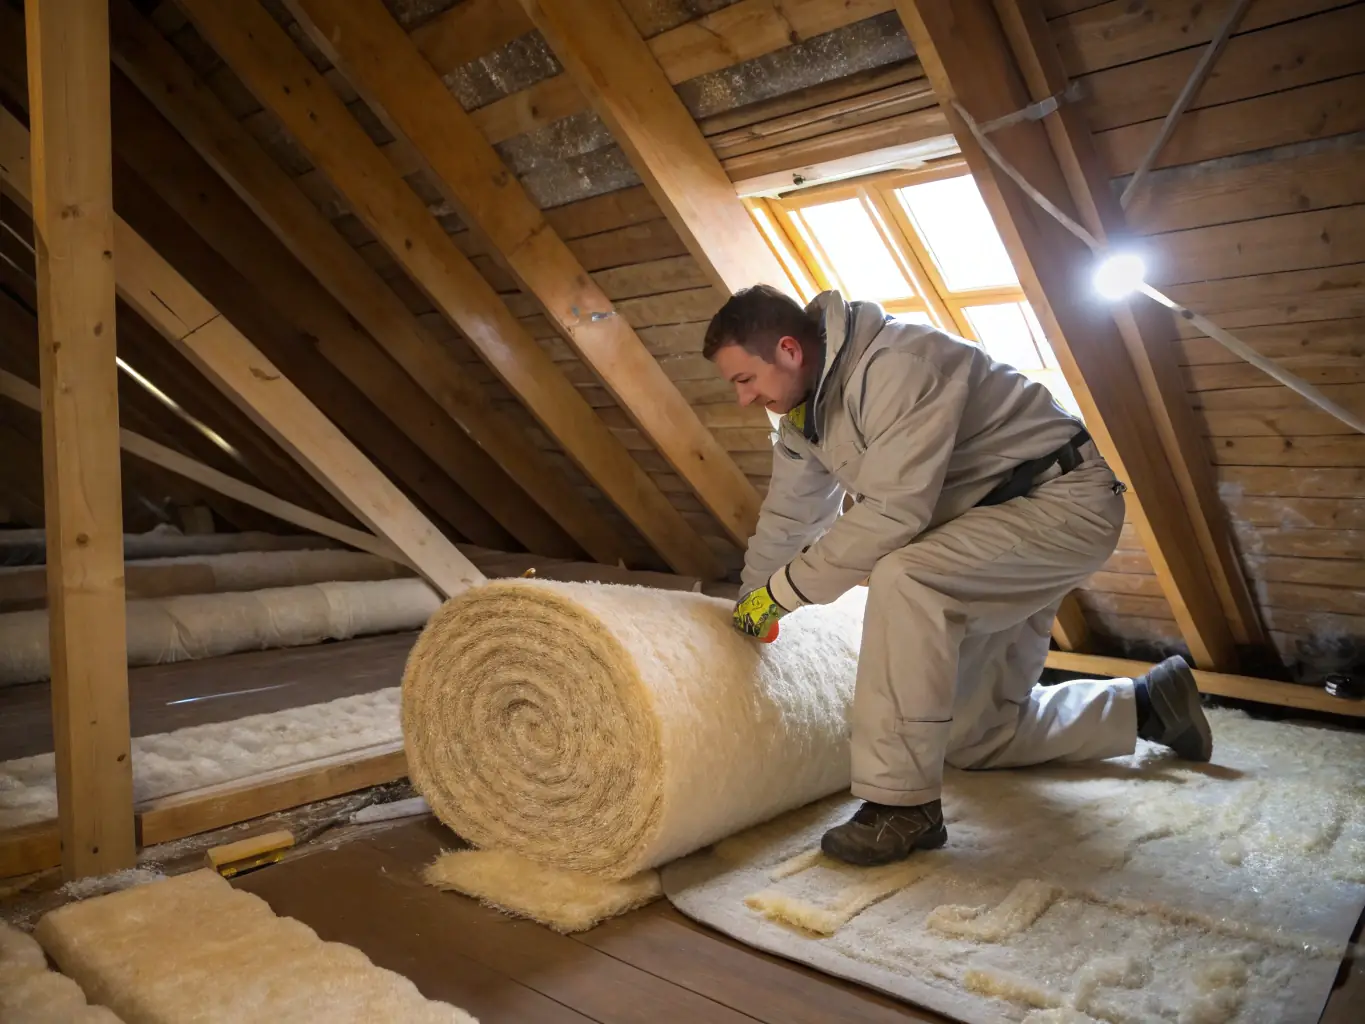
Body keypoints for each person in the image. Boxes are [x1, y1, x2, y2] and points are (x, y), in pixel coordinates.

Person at [705, 285, 1213, 867]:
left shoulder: (897, 364)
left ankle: (901, 808)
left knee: (906, 577)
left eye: (745, 380)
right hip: (988, 526)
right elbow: (790, 517)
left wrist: (783, 595)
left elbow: (895, 512)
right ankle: (1149, 705)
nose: (743, 399)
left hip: (1060, 504)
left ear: (790, 350)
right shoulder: (803, 417)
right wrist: (750, 602)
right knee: (975, 736)